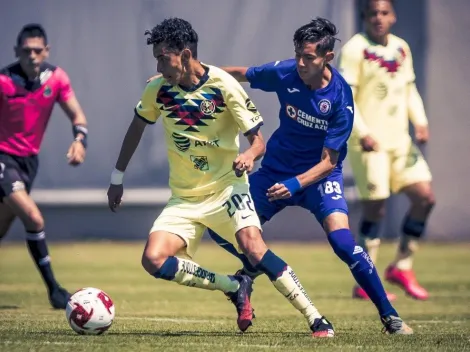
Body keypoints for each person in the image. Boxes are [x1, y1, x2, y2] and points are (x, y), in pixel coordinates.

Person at [107, 17, 334, 337]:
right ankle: (233, 285)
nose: (158, 65)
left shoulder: (224, 85)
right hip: (185, 197)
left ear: (185, 55)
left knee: (254, 248)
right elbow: (136, 128)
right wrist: (117, 177)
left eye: (163, 57)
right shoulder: (158, 89)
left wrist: (248, 155)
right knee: (153, 260)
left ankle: (315, 317)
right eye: (156, 57)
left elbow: (259, 142)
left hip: (229, 189)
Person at [205, 17, 412, 334]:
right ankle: (247, 274)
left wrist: (295, 184)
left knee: (344, 243)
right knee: (222, 230)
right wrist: (195, 75)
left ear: (328, 57)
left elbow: (329, 162)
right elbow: (240, 74)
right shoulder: (285, 72)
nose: (301, 63)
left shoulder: (341, 99)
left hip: (318, 177)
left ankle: (391, 317)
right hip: (275, 170)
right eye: (298, 54)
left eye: (309, 57)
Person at [338, 0, 434, 301]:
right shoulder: (355, 49)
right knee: (376, 208)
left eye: (384, 13)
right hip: (370, 144)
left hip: (399, 143)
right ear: (365, 17)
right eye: (372, 13)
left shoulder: (401, 48)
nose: (378, 18)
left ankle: (402, 266)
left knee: (425, 198)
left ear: (392, 17)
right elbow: (346, 97)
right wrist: (363, 133)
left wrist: (420, 122)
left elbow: (409, 89)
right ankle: (365, 279)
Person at [0, 24, 88, 309]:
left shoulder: (57, 79)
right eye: (26, 51)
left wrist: (79, 141)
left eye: (38, 50)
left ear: (46, 51)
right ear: (17, 52)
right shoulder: (3, 81)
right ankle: (54, 290)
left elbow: (77, 115)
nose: (32, 56)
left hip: (28, 163)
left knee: (3, 226)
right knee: (34, 219)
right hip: (3, 159)